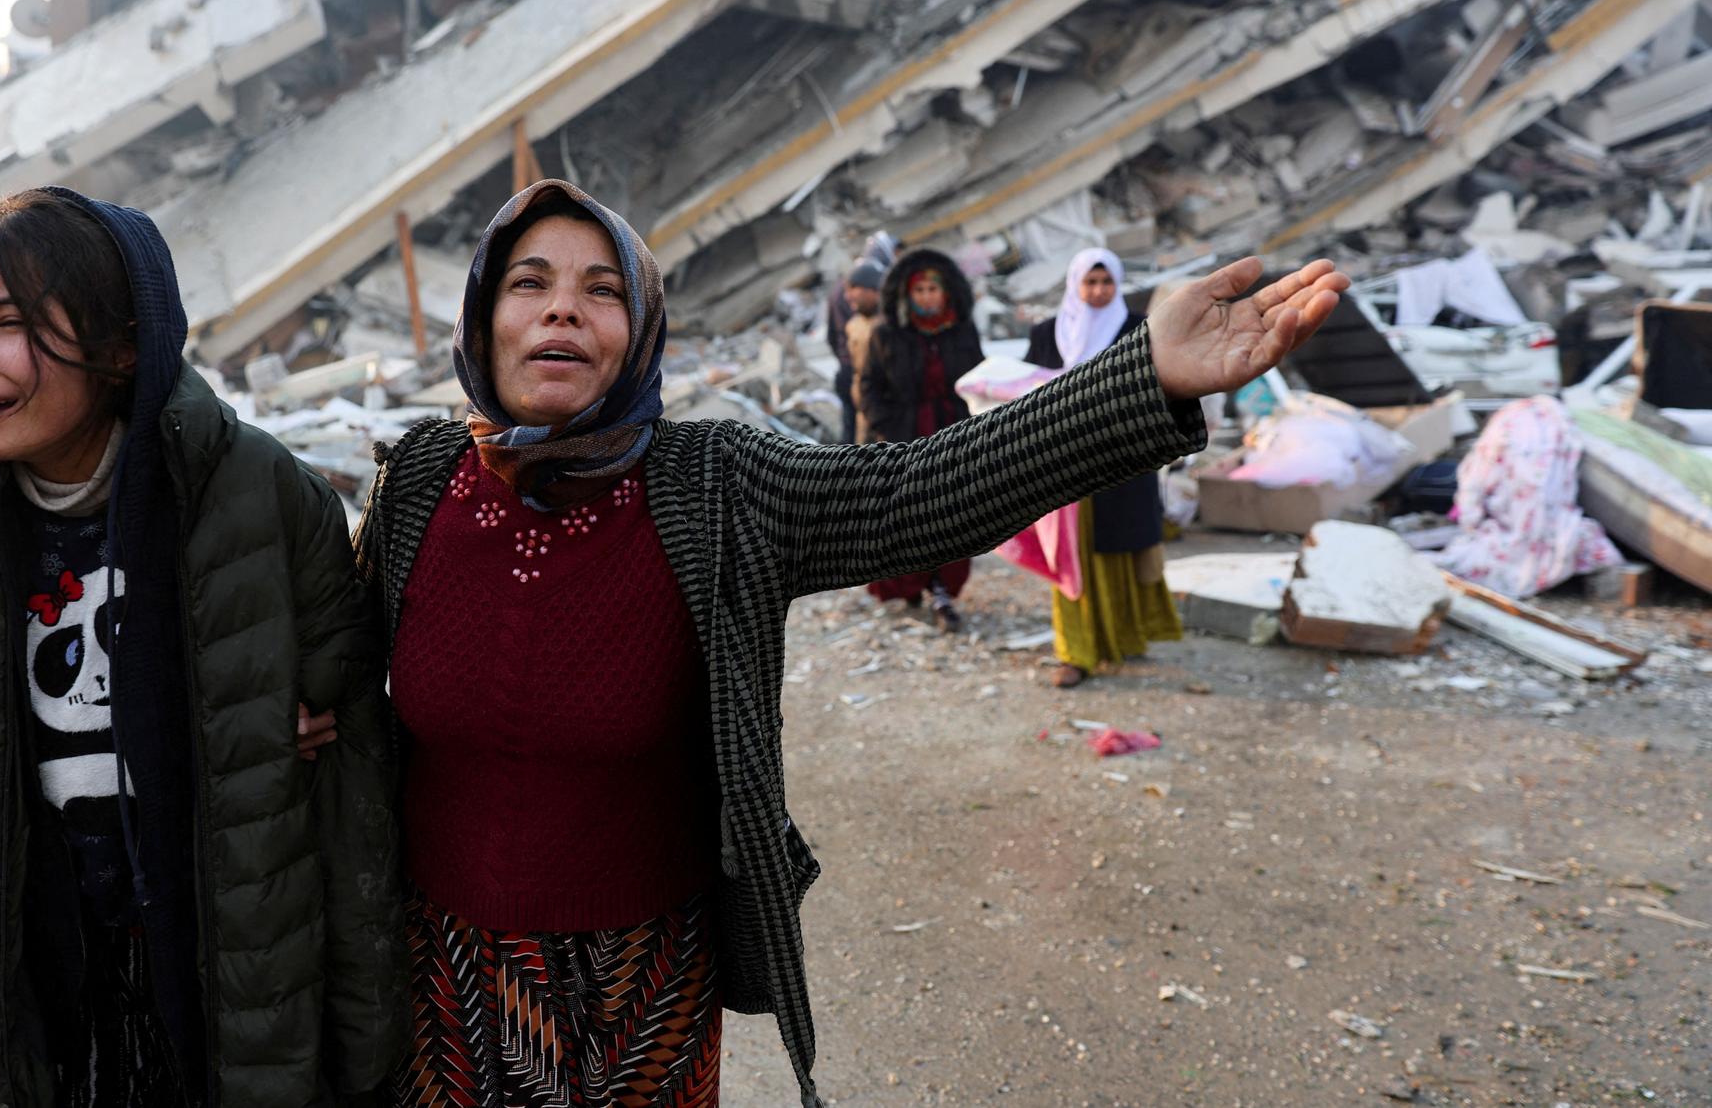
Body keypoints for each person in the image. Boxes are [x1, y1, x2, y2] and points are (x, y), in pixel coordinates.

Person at [354, 179, 1346, 1107]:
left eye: (600, 290)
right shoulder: (417, 481)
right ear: (481, 318)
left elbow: (919, 490)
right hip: (437, 969)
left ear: (641, 328)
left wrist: (1139, 378)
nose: (561, 310)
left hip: (642, 982)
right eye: (528, 284)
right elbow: (335, 658)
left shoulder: (716, 485)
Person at [0, 187, 405, 1107]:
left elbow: (350, 798)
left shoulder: (263, 497)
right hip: (44, 990)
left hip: (221, 984)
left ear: (121, 348)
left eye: (8, 321)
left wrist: (361, 1046)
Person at [1025, 248, 1184, 687]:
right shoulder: (1046, 334)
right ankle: (1076, 652)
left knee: (1120, 549)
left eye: (1106, 282)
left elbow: (1159, 387)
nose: (1098, 292)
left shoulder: (1137, 331)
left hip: (1123, 461)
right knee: (1071, 558)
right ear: (1075, 284)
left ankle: (1126, 637)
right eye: (1089, 283)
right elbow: (1019, 397)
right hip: (1062, 467)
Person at [856, 248, 985, 631]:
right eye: (920, 290)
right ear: (908, 295)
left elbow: (979, 378)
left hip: (954, 436)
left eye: (933, 289)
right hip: (904, 441)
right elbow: (869, 387)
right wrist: (887, 428)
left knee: (951, 515)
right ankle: (912, 583)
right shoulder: (886, 334)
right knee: (908, 516)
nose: (927, 296)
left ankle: (942, 590)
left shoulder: (962, 332)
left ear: (946, 293)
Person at [825, 259, 886, 443]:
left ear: (873, 290)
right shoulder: (854, 327)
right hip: (864, 406)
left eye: (853, 289)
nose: (847, 296)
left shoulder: (890, 327)